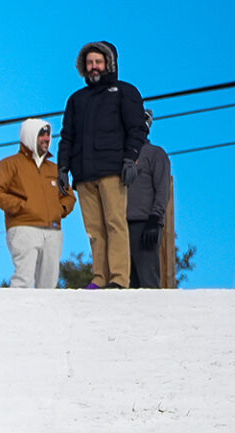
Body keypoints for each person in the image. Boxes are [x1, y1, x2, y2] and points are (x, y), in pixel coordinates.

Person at [59, 41, 148, 289]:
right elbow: (67, 137)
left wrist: (130, 159)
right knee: (94, 230)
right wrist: (63, 168)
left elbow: (137, 129)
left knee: (115, 224)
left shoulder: (124, 92)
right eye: (89, 63)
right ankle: (100, 277)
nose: (94, 67)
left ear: (109, 64)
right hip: (84, 174)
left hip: (112, 171)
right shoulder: (76, 100)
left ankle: (119, 278)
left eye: (98, 62)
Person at [0, 119, 77, 289]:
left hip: (53, 231)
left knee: (49, 284)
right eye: (41, 134)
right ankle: (17, 307)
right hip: (24, 228)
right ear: (29, 136)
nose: (46, 139)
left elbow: (69, 196)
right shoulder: (9, 165)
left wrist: (59, 210)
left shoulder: (54, 169)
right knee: (24, 279)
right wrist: (21, 206)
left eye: (48, 135)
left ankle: (44, 308)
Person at [128, 109, 173, 289]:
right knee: (126, 282)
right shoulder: (123, 156)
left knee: (147, 279)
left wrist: (155, 219)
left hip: (145, 223)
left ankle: (152, 307)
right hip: (121, 225)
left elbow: (163, 188)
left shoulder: (155, 154)